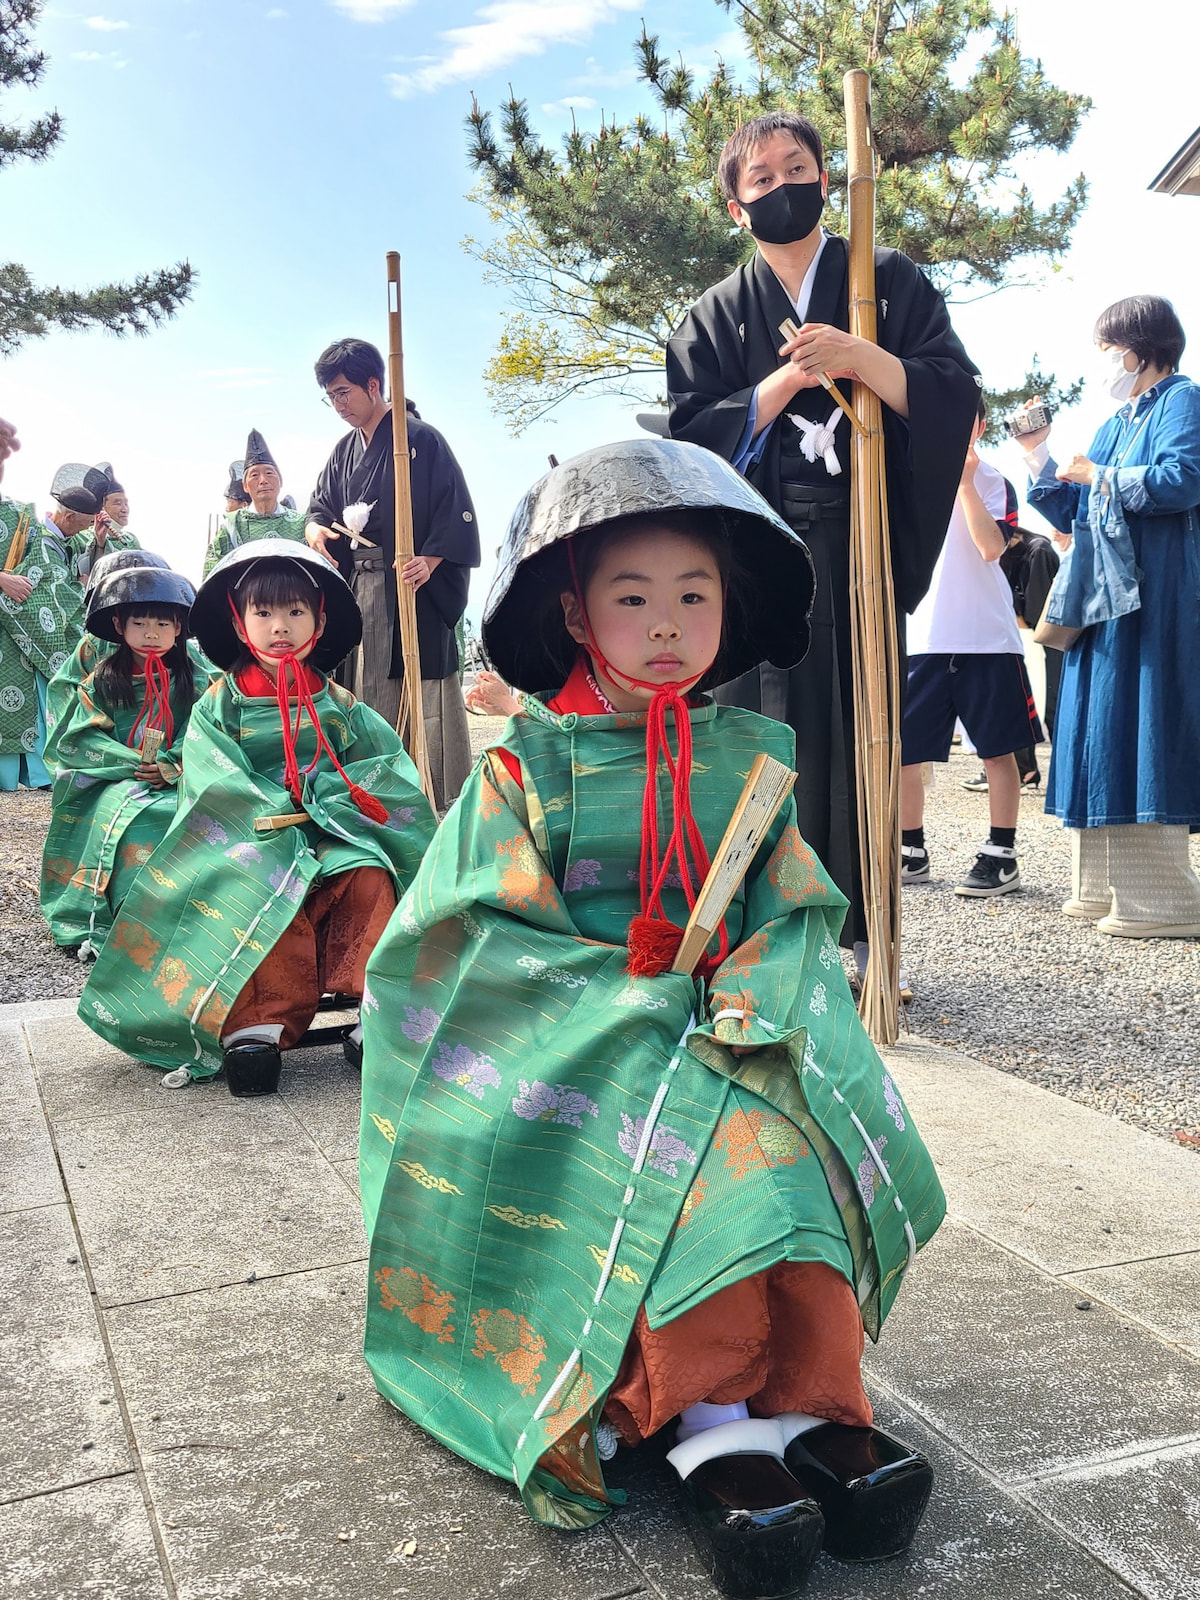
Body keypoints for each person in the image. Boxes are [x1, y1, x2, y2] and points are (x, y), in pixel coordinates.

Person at [359, 440, 942, 1596]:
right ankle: (710, 1418)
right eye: (633, 598)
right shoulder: (526, 770)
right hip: (588, 1038)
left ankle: (812, 1401)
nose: (666, 623)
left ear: (730, 607)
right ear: (575, 612)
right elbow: (463, 937)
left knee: (791, 1147)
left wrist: (755, 981)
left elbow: (797, 906)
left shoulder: (753, 759)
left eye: (694, 595)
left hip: (732, 1022)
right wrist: (618, 988)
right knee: (705, 1158)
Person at [667, 110, 979, 950]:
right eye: (759, 179)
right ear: (736, 208)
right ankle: (748, 933)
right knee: (750, 726)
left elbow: (952, 394)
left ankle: (859, 933)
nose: (780, 187)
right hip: (755, 552)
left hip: (860, 545)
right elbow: (689, 434)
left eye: (793, 168)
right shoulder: (713, 313)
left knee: (859, 725)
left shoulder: (887, 279)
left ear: (824, 178)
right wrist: (783, 383)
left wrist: (859, 355)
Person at [78, 540, 436, 1093]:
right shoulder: (219, 705)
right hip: (247, 835)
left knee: (367, 872)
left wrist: (330, 805)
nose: (280, 626)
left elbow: (386, 772)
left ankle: (376, 1014)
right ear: (239, 621)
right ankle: (257, 1025)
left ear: (318, 619)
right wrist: (277, 812)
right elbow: (213, 778)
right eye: (263, 612)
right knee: (259, 880)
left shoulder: (342, 703)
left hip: (331, 832)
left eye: (295, 612)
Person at [1022, 294, 1200, 937]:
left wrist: (1099, 473)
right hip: (1110, 595)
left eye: (1107, 348)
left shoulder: (1182, 398)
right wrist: (1038, 455)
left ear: (1138, 345)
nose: (1103, 360)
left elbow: (1182, 480)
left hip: (1153, 592)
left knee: (1139, 720)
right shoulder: (1121, 416)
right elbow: (1073, 509)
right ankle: (1101, 890)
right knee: (1101, 723)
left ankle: (1166, 902)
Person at [305, 338, 480, 810]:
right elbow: (319, 505)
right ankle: (368, 789)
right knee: (359, 682)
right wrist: (315, 529)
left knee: (412, 686)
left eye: (344, 392)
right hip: (357, 585)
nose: (338, 405)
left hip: (408, 585)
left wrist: (434, 560)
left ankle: (426, 793)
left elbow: (454, 508)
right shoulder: (344, 450)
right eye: (331, 396)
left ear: (374, 384)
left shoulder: (418, 439)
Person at [898, 401, 1043, 897]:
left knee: (998, 751)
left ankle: (1001, 854)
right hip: (924, 636)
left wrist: (962, 481)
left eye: (964, 420)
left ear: (979, 425)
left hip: (987, 638)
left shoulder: (995, 481)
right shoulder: (907, 477)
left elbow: (990, 547)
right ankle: (910, 848)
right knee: (904, 752)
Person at [40, 561, 209, 954]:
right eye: (139, 624)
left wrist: (173, 764)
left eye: (163, 624)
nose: (151, 634)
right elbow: (80, 736)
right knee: (127, 812)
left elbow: (207, 728)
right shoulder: (100, 677)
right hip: (113, 778)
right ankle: (117, 916)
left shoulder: (196, 677)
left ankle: (184, 915)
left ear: (179, 628)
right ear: (119, 626)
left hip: (179, 776)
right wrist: (133, 764)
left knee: (185, 813)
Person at [0, 467, 91, 789]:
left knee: (22, 695)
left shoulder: (19, 515)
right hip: (7, 597)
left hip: (13, 618)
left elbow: (43, 572)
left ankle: (32, 772)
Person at [202, 430, 307, 577]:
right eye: (255, 475)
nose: (263, 480)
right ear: (245, 486)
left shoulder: (302, 523)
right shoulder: (232, 526)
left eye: (269, 473)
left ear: (280, 481)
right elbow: (213, 573)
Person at [71, 463, 141, 584]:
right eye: (117, 503)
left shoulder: (130, 540)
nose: (124, 509)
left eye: (126, 503)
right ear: (101, 508)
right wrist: (100, 543)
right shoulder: (81, 537)